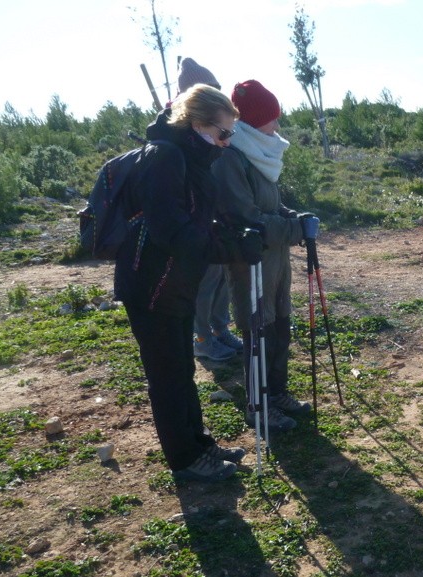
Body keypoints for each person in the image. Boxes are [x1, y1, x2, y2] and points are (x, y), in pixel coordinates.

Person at [114, 84, 263, 482]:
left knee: (181, 369)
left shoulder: (189, 157)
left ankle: (199, 443)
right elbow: (173, 231)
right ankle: (184, 459)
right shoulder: (164, 157)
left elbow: (197, 219)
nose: (226, 142)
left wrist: (235, 237)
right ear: (197, 123)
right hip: (151, 286)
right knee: (168, 375)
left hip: (173, 285)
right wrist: (228, 249)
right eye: (223, 132)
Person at [214, 80, 315, 432]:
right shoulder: (231, 158)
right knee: (257, 332)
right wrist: (294, 231)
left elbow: (271, 205)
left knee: (279, 326)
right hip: (249, 260)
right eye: (272, 119)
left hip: (276, 260)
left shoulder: (259, 153)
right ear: (255, 121)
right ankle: (258, 406)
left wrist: (294, 217)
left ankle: (278, 393)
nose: (278, 126)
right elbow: (247, 218)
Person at [175, 58, 244, 362]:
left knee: (220, 280)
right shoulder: (178, 138)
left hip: (213, 220)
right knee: (204, 285)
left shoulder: (215, 133)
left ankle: (220, 330)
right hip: (196, 227)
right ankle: (202, 337)